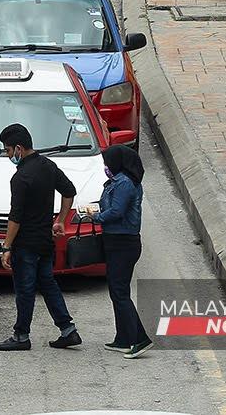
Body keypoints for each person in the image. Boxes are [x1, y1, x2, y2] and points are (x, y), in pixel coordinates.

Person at [0, 123, 82, 351]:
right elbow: (69, 191)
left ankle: (21, 335)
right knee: (48, 284)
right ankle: (67, 329)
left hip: (26, 243)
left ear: (19, 148)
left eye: (8, 150)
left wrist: (7, 246)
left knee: (24, 289)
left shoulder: (21, 178)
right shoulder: (48, 166)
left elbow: (16, 216)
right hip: (44, 241)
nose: (7, 154)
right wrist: (59, 220)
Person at [88, 145, 153, 359]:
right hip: (115, 242)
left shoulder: (124, 183)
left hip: (123, 243)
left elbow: (116, 211)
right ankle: (123, 339)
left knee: (120, 292)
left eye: (108, 162)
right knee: (117, 291)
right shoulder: (116, 181)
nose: (106, 166)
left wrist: (95, 217)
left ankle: (139, 338)